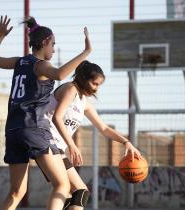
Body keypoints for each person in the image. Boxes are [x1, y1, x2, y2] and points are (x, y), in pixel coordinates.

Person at [0, 15, 91, 210]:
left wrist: (0, 36)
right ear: (44, 43)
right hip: (34, 128)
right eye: (53, 44)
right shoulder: (40, 65)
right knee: (62, 185)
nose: (53, 48)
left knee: (16, 192)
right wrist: (86, 52)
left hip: (13, 131)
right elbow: (60, 74)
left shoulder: (20, 62)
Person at [44, 60, 142, 210]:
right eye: (94, 84)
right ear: (84, 79)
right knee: (77, 191)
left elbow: (103, 128)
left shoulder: (84, 102)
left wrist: (126, 142)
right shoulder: (71, 89)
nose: (96, 89)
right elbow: (57, 117)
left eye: (99, 85)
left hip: (56, 148)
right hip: (46, 143)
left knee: (74, 195)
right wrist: (72, 145)